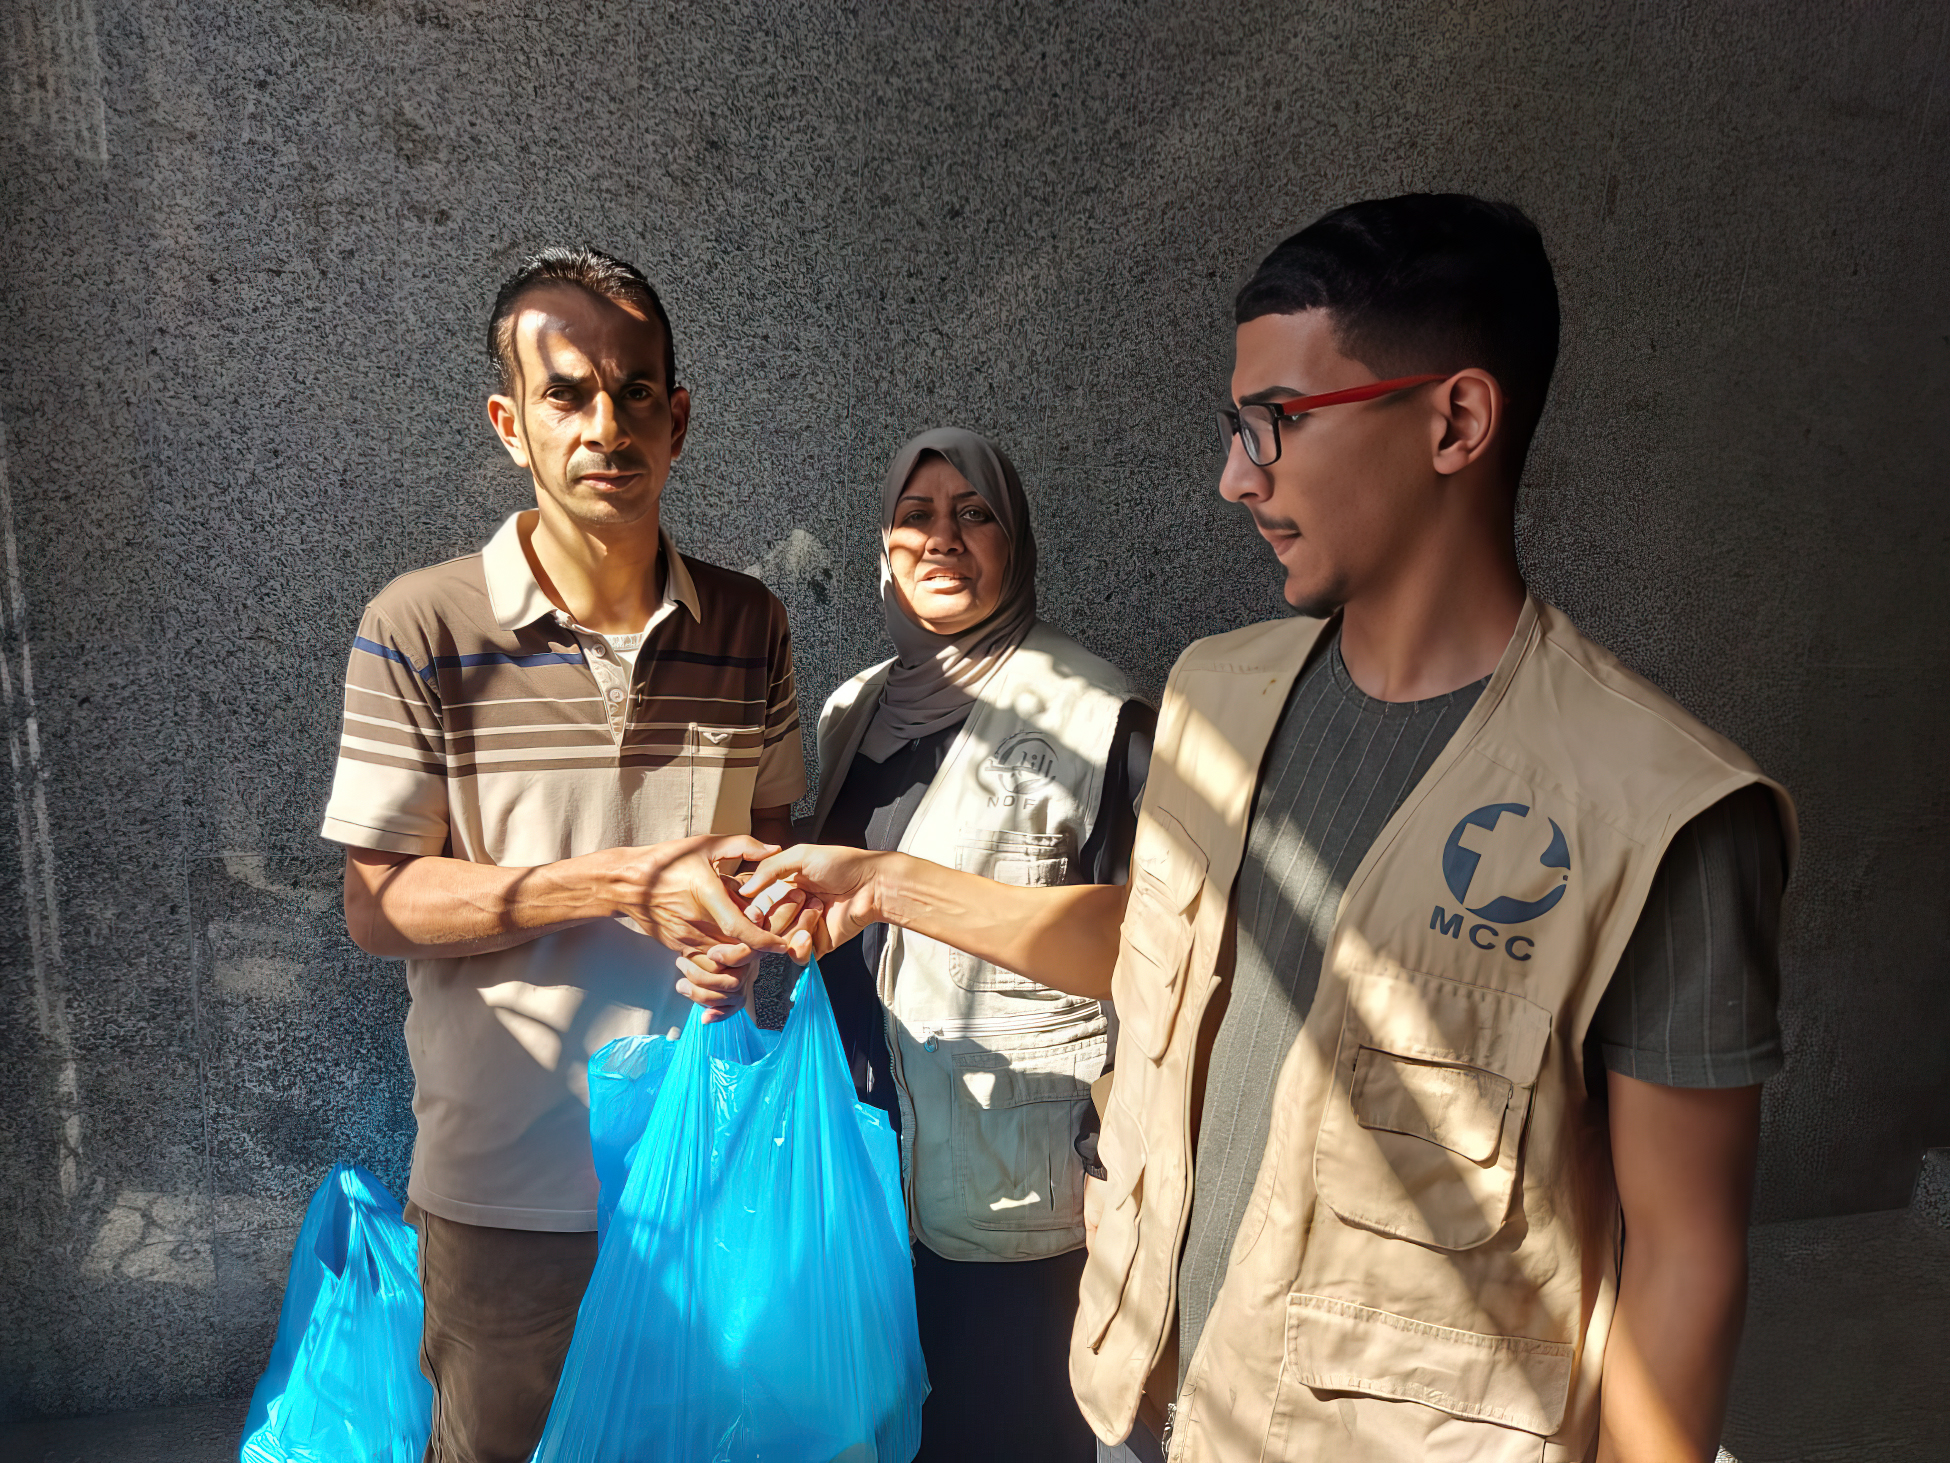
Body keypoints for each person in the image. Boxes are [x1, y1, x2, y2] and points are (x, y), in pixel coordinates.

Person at [726, 195, 1795, 1462]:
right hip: (1156, 1406)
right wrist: (881, 883)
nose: (1236, 473)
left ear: (1455, 420)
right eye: (1237, 427)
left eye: (1275, 423)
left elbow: (1684, 1258)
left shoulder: (1659, 809)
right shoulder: (1216, 694)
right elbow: (1136, 958)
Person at [320, 245, 811, 1463]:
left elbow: (781, 863)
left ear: (678, 416)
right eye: (567, 393)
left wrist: (762, 952)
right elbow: (377, 902)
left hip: (712, 1173)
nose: (607, 424)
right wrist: (623, 882)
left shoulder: (751, 624)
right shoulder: (420, 624)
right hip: (507, 1192)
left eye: (636, 390)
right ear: (509, 422)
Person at [687, 427, 1153, 1461]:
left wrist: (891, 888)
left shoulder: (1095, 710)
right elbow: (845, 897)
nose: (942, 538)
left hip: (1018, 1187)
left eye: (972, 512)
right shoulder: (860, 705)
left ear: (1015, 535)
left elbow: (1146, 945)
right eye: (916, 515)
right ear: (884, 546)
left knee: (1010, 1429)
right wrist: (757, 932)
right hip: (864, 1170)